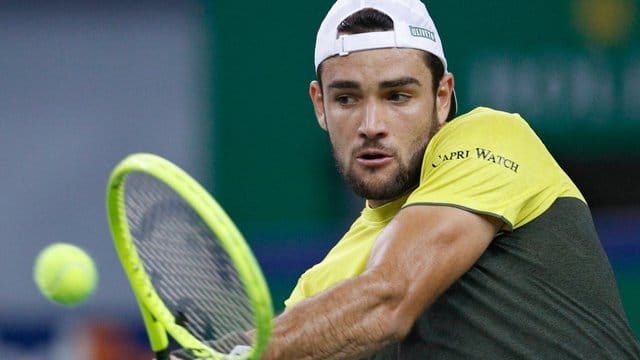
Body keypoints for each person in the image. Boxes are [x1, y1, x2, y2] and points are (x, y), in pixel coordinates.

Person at [191, 1, 640, 359]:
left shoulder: (494, 138)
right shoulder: (321, 287)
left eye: (398, 96)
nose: (371, 124)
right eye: (346, 98)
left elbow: (389, 296)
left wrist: (242, 354)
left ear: (442, 98)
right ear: (320, 106)